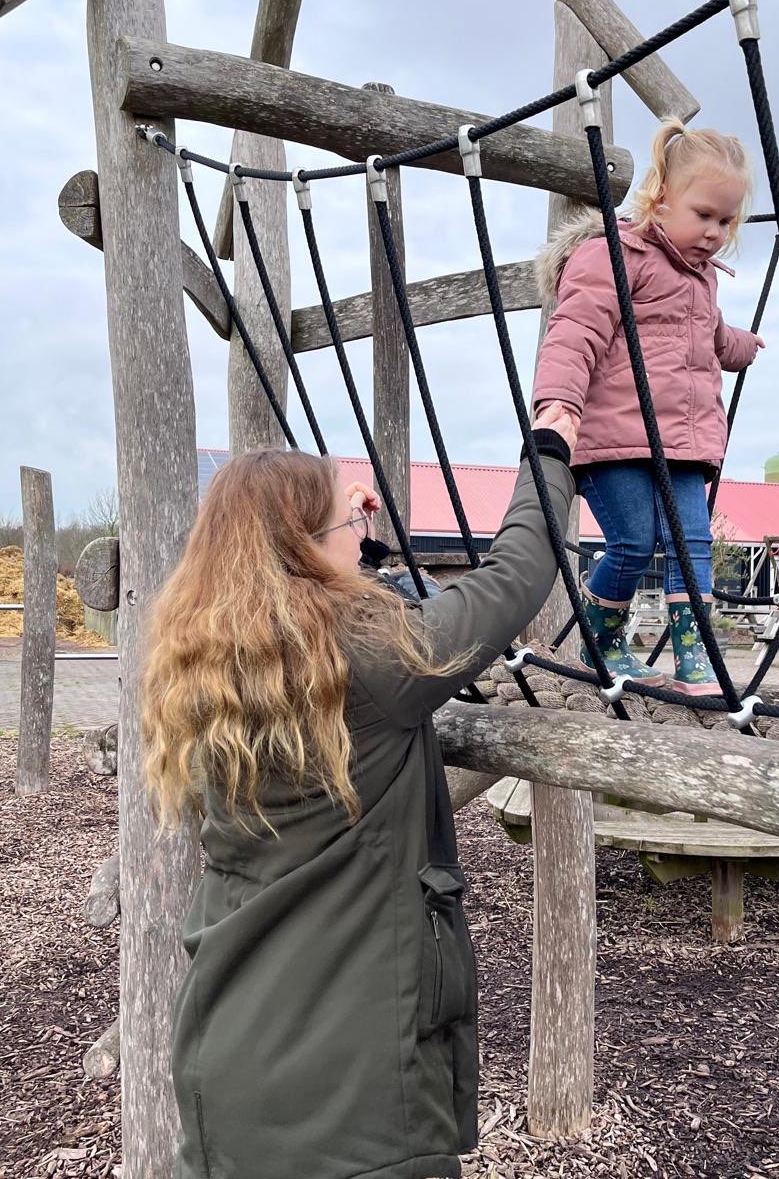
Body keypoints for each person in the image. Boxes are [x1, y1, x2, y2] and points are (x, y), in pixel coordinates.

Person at [140, 402, 577, 1179]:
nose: (357, 524)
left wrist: (352, 544)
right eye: (343, 520)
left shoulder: (208, 671)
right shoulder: (371, 662)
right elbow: (515, 577)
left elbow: (329, 621)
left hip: (229, 1069)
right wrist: (551, 442)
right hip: (354, 1106)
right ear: (308, 552)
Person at [532, 117, 763, 695]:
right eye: (703, 214)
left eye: (725, 220)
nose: (714, 231)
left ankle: (697, 658)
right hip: (613, 440)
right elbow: (574, 331)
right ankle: (601, 642)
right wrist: (557, 401)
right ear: (660, 199)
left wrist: (744, 346)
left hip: (684, 442)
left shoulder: (702, 279)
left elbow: (710, 336)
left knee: (692, 542)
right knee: (632, 542)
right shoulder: (614, 255)